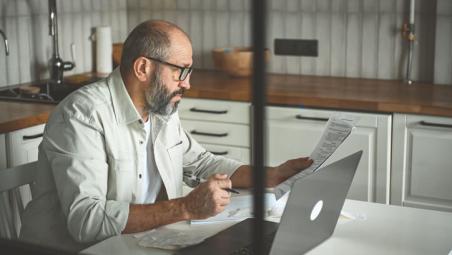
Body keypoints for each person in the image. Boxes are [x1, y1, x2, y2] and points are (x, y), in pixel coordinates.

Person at [20, 20, 312, 252]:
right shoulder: (82, 116)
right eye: (180, 71)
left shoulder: (160, 107)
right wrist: (185, 208)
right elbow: (86, 220)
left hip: (138, 243)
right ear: (143, 67)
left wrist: (271, 175)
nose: (188, 83)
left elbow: (201, 163)